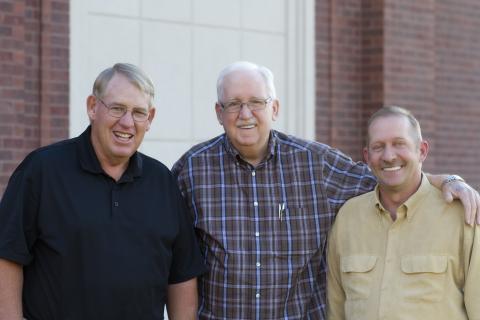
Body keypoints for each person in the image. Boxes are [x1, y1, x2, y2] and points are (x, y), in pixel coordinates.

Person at [172, 61, 480, 319]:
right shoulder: (192, 171)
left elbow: (389, 173)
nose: (245, 113)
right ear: (218, 112)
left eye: (256, 102)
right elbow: (172, 256)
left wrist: (448, 180)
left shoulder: (315, 164)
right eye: (233, 104)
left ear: (275, 108)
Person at [0, 63, 206, 320]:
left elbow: (182, 274)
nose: (127, 122)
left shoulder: (162, 181)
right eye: (117, 108)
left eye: (139, 112)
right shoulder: (42, 170)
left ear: (150, 118)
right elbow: (7, 254)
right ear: (92, 107)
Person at [326, 106, 479, 319]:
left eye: (399, 144)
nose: (389, 156)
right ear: (367, 156)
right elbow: (336, 308)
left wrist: (452, 179)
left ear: (422, 150)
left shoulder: (461, 215)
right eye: (378, 147)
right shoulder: (347, 218)